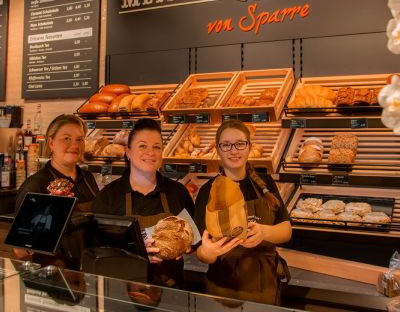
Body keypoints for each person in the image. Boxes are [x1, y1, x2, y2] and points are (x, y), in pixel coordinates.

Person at [194, 120, 292, 305]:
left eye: (240, 143)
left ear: (249, 147)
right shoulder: (209, 190)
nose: (234, 150)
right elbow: (200, 251)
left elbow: (286, 230)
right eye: (226, 145)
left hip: (265, 285)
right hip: (222, 287)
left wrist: (264, 232)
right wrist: (208, 252)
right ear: (218, 150)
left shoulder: (265, 183)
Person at [92, 118, 194, 288]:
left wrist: (187, 245)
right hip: (122, 291)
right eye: (142, 146)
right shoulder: (109, 196)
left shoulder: (178, 193)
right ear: (128, 152)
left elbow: (194, 239)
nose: (150, 152)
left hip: (171, 291)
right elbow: (96, 250)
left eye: (157, 147)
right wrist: (136, 252)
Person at [14, 114, 99, 268]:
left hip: (90, 269)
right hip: (54, 273)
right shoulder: (35, 186)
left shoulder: (87, 178)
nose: (74, 145)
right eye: (66, 138)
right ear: (51, 143)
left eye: (79, 139)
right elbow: (20, 250)